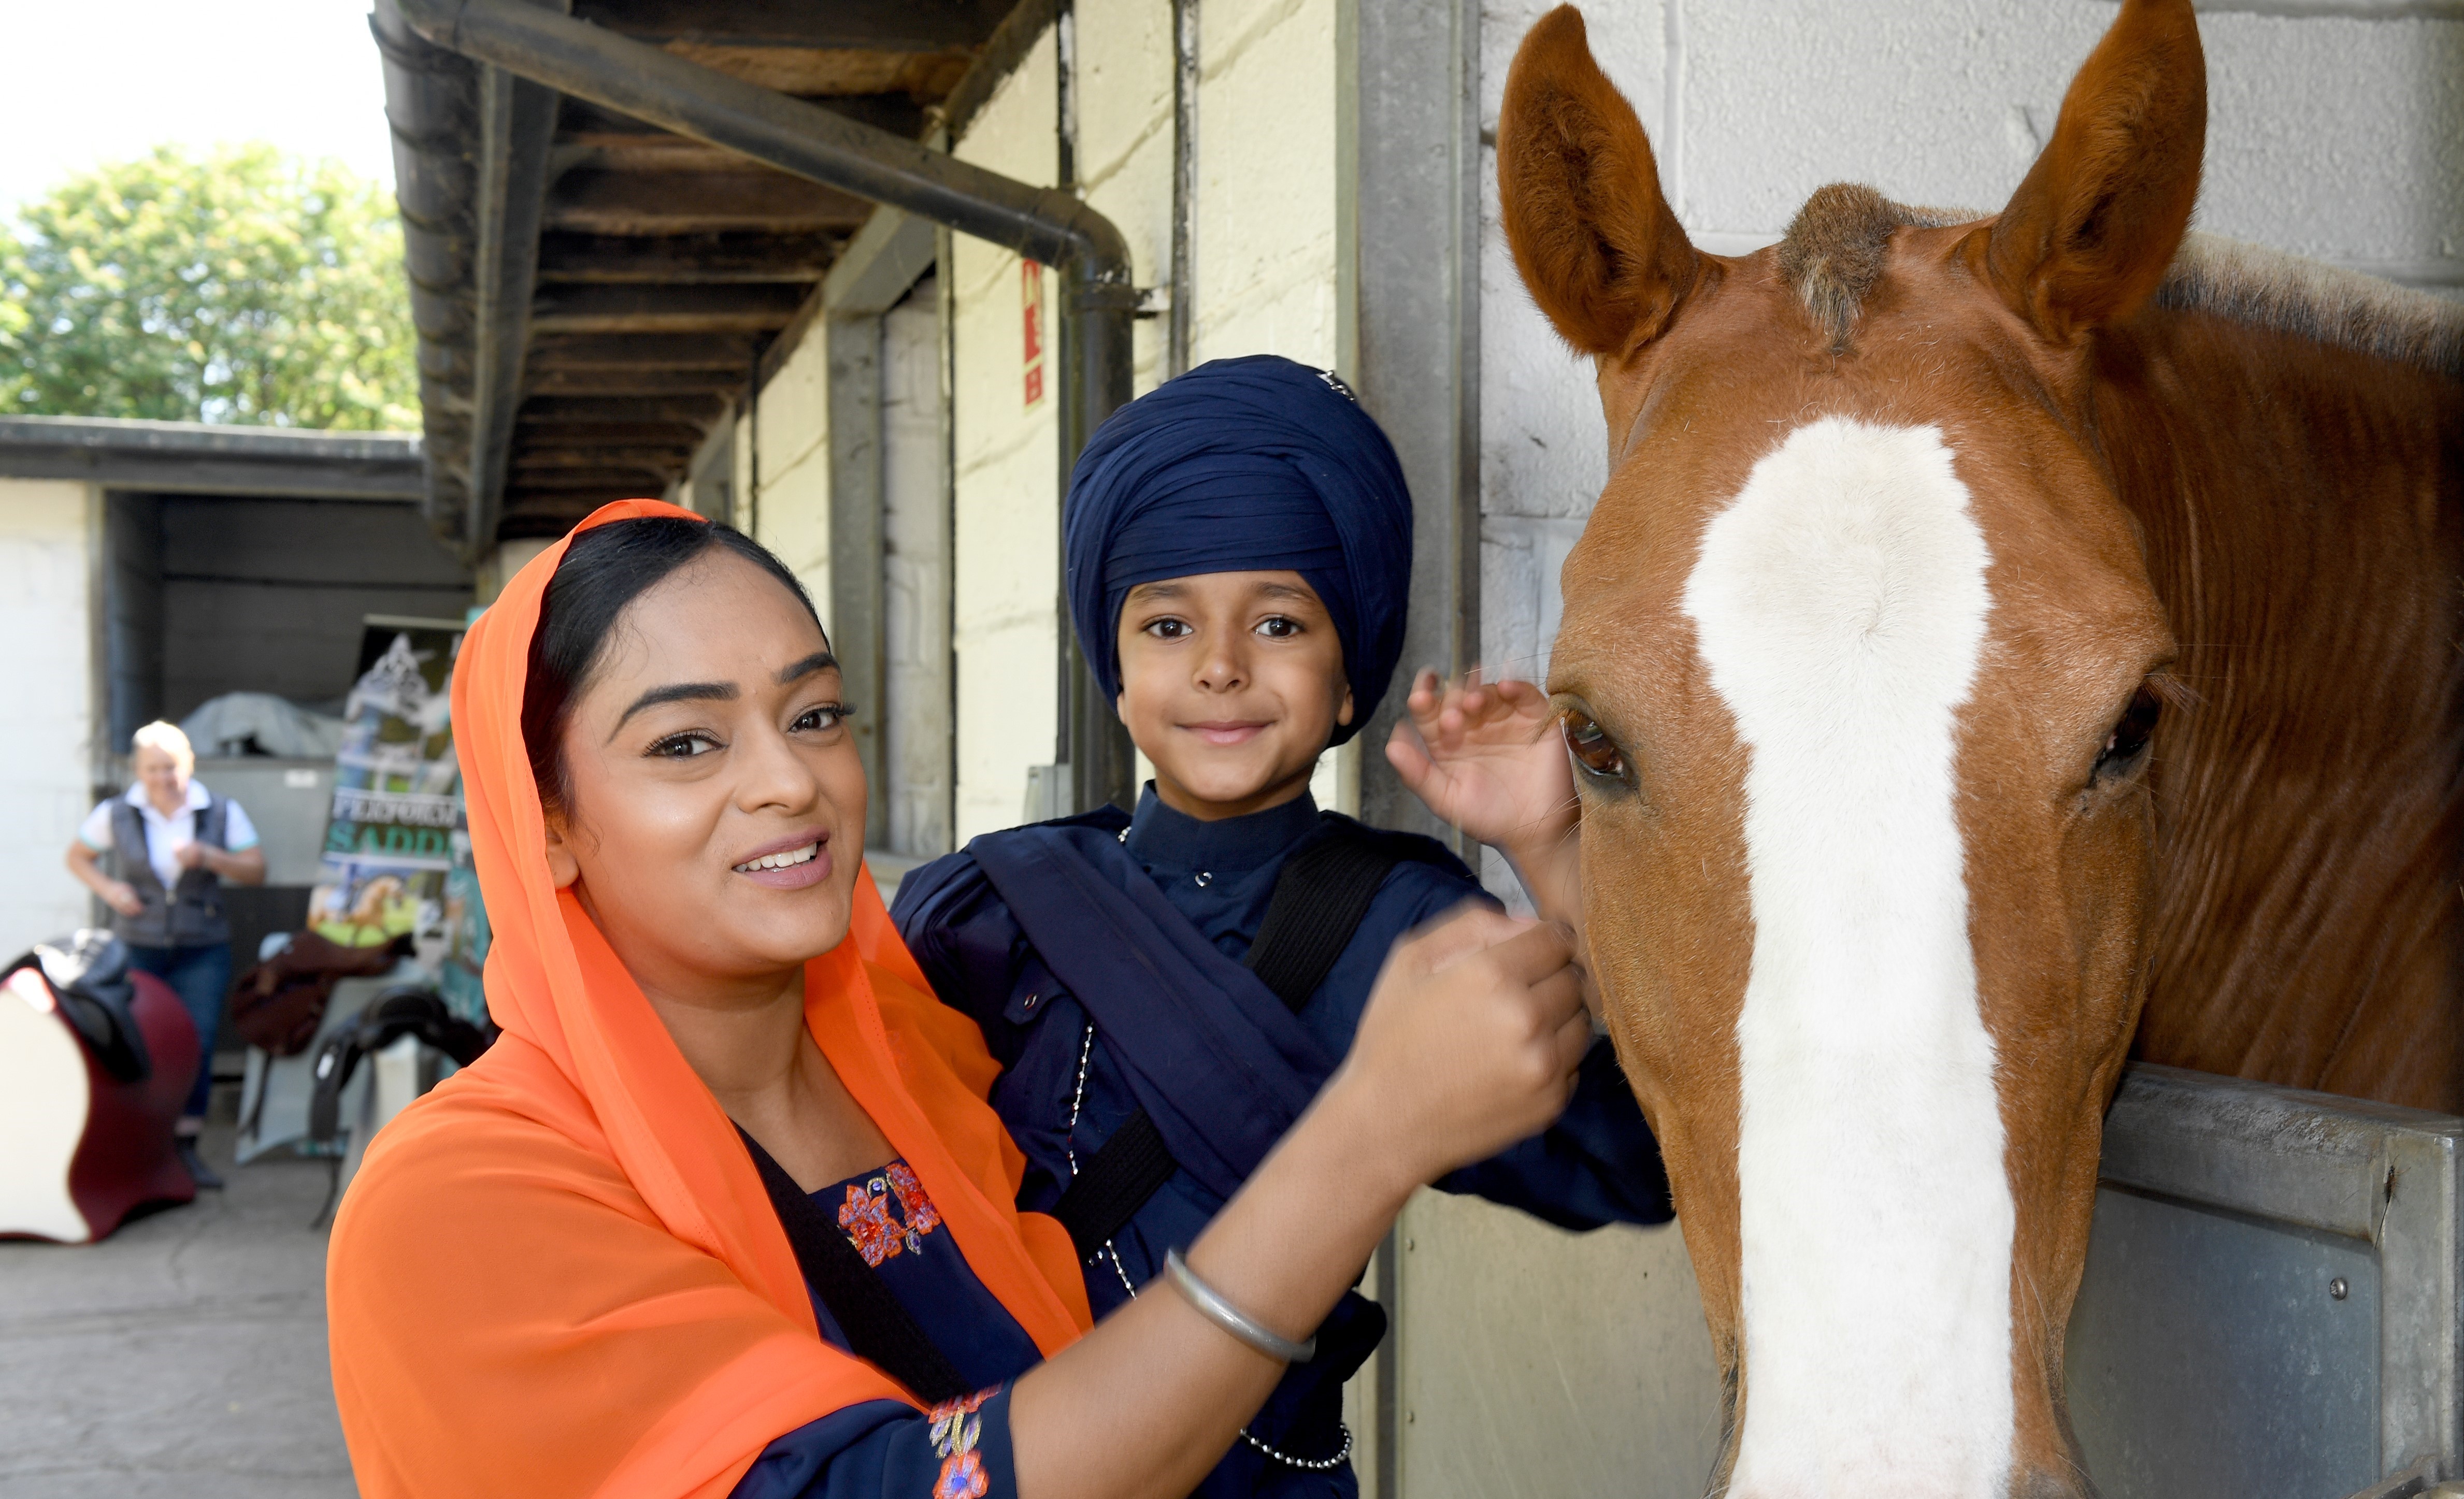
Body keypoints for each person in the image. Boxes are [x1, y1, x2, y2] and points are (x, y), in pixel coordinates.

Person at [326, 500, 1593, 1499]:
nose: (788, 781)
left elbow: (1632, 1147)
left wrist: (1560, 857)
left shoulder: (934, 1045)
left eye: (814, 713)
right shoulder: (463, 1199)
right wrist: (1363, 1141)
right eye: (685, 743)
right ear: (544, 823)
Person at [889, 356, 1667, 1497]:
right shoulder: (990, 907)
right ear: (1114, 670)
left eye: (1278, 620)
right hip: (1016, 1462)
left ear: (1349, 678)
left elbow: (1635, 1163)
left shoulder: (1405, 923)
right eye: (1165, 623)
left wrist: (1550, 845)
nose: (1218, 666)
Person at [65, 719, 267, 1188]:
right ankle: (140, 1148)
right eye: (153, 768)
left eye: (171, 767)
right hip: (139, 945)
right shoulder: (117, 813)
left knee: (194, 1042)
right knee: (136, 1040)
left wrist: (210, 857)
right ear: (138, 769)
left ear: (190, 764)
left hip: (202, 946)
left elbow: (256, 868)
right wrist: (112, 890)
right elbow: (77, 857)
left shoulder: (218, 810)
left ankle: (186, 1148)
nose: (163, 777)